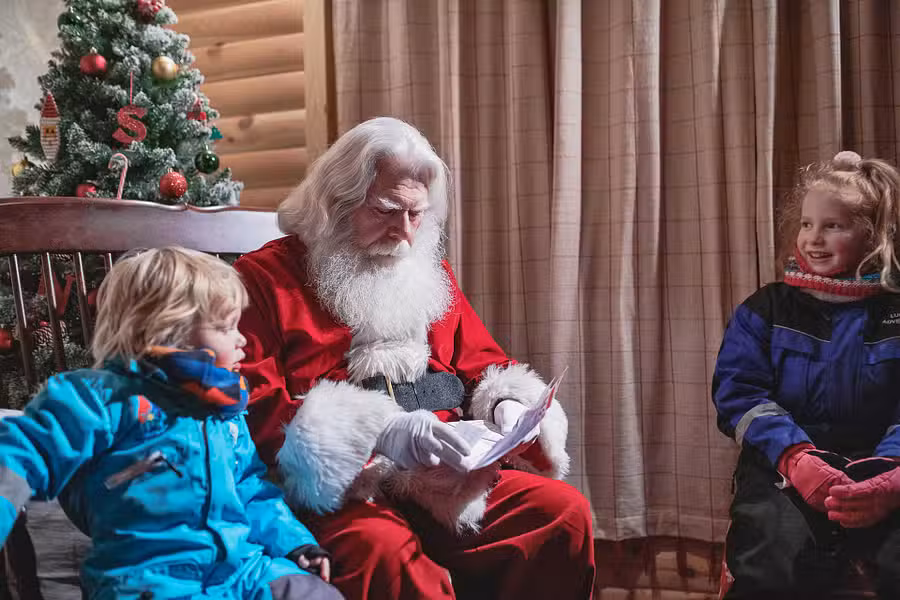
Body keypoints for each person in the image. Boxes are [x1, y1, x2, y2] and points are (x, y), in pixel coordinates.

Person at [234, 116, 595, 600]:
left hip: (446, 478)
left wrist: (508, 406)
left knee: (560, 514)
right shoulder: (262, 279)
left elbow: (483, 364)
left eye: (416, 213)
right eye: (386, 211)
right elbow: (254, 407)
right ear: (334, 202)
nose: (403, 232)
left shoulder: (428, 270)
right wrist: (378, 432)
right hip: (346, 485)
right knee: (385, 555)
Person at [0, 247, 342, 600]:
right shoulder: (101, 399)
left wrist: (293, 543)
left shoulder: (223, 409)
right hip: (148, 579)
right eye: (225, 327)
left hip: (239, 570)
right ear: (167, 330)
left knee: (311, 593)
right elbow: (21, 453)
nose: (241, 339)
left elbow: (250, 487)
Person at [713, 151, 900, 599]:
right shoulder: (766, 309)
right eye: (806, 224)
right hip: (783, 469)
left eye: (833, 226)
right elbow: (739, 394)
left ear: (873, 236)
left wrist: (890, 475)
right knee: (768, 574)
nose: (814, 238)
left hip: (884, 470)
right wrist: (795, 457)